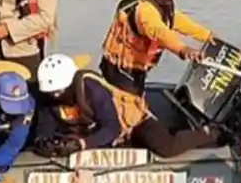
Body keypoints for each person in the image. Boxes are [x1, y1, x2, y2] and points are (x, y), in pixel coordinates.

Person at [33, 53, 220, 158]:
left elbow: (112, 127)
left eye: (58, 92)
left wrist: (81, 145)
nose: (55, 96)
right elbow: (46, 121)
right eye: (51, 93)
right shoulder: (50, 97)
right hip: (92, 130)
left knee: (166, 147)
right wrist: (43, 139)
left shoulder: (91, 90)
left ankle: (208, 133)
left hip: (132, 124)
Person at [99, 0, 215, 95]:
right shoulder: (144, 11)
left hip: (137, 69)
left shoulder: (162, 4)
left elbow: (176, 20)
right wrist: (183, 49)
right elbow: (159, 32)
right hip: (121, 70)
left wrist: (207, 36)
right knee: (130, 110)